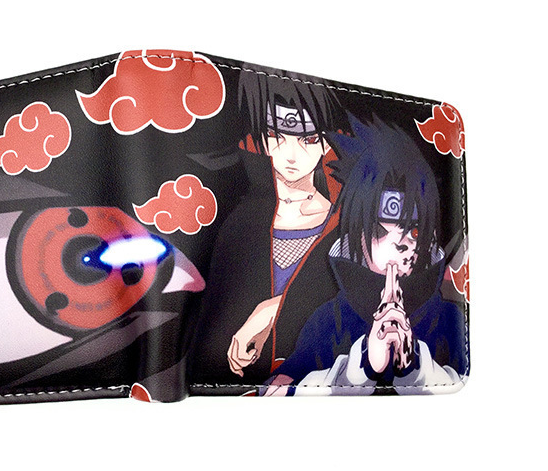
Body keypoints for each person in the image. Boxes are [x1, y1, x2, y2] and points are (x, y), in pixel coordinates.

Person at [260, 118, 467, 395]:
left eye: (414, 231)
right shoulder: (329, 322)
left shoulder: (450, 321)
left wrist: (414, 366)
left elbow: (464, 387)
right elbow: (281, 389)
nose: (400, 244)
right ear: (357, 235)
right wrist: (362, 367)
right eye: (381, 231)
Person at [191, 71, 349, 384]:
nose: (291, 155)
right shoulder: (240, 221)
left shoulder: (342, 221)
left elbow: (355, 298)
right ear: (260, 138)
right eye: (277, 135)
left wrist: (273, 309)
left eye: (308, 139)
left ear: (326, 143)